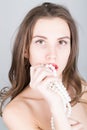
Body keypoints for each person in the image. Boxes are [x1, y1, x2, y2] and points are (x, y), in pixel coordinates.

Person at [0, 2, 87, 130]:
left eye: (62, 42)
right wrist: (57, 108)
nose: (52, 55)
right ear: (25, 50)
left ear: (71, 49)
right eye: (40, 42)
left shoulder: (80, 87)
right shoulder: (16, 112)